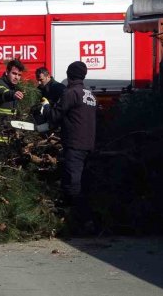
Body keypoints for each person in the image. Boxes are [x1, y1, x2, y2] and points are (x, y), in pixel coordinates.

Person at [42, 61, 97, 230]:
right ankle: (70, 220)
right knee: (80, 183)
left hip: (74, 145)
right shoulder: (90, 95)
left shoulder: (70, 93)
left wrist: (45, 107)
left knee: (73, 185)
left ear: (69, 74)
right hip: (89, 146)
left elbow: (54, 116)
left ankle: (86, 222)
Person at [0, 59, 25, 146]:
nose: (16, 77)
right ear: (7, 72)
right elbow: (2, 92)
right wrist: (12, 94)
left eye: (19, 75)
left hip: (6, 138)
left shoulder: (13, 87)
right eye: (14, 73)